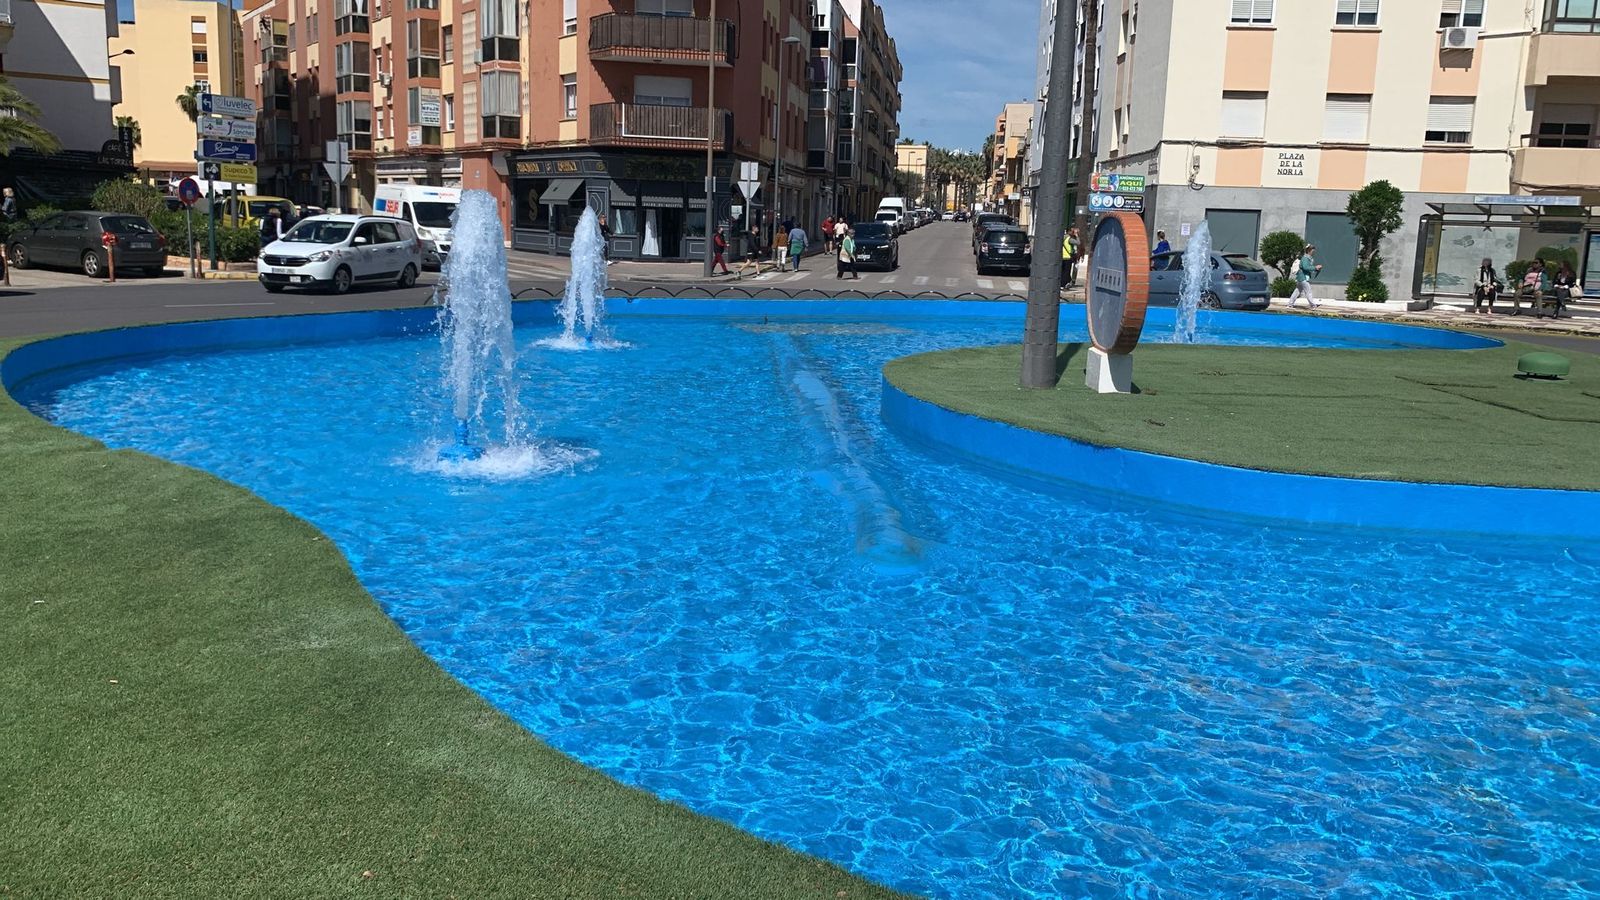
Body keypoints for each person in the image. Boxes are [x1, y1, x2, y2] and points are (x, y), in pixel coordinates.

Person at [1286, 244, 1322, 309]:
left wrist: (1315, 269)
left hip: (1301, 277)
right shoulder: (1305, 258)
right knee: (1308, 291)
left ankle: (1290, 304)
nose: (1313, 252)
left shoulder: (1307, 258)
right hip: (1303, 277)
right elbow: (1305, 267)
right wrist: (1315, 267)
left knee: (1297, 291)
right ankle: (1313, 305)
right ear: (1309, 251)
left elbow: (1308, 268)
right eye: (1313, 251)